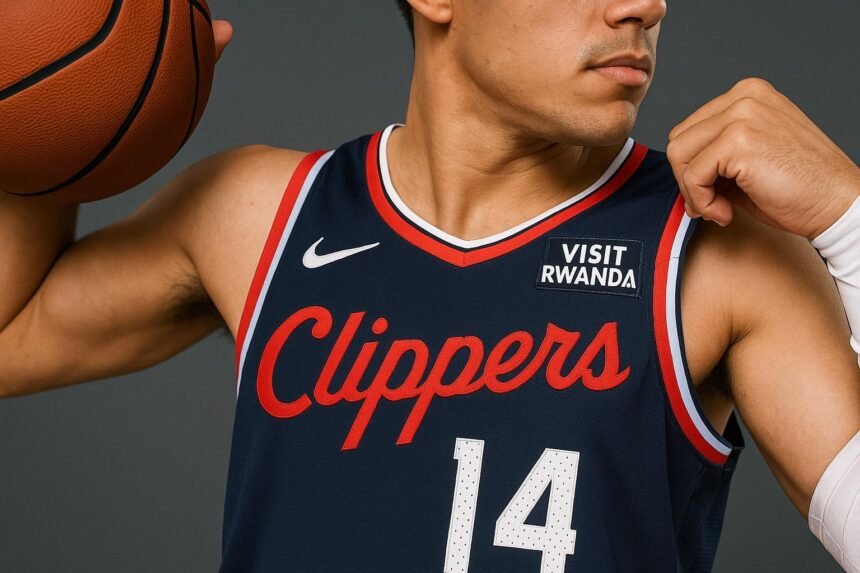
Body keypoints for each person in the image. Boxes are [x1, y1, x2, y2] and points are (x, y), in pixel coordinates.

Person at [2, 1, 858, 571]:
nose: (644, 5)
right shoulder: (262, 214)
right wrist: (67, 106)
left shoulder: (713, 249)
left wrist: (849, 218)